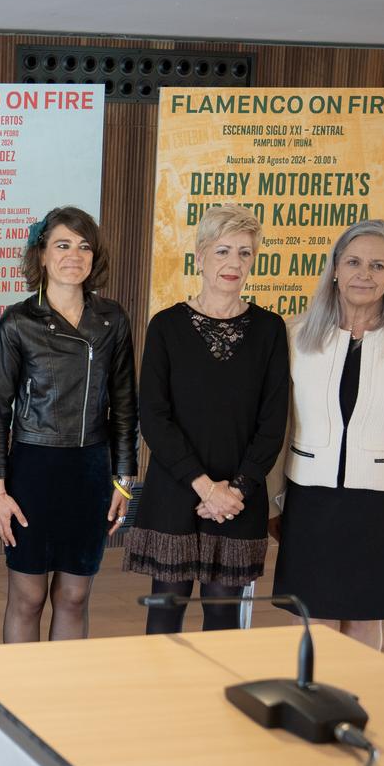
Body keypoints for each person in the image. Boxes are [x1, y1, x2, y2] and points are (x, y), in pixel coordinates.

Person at [272, 220, 384, 649]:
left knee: (363, 615)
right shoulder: (296, 334)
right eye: (354, 262)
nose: (364, 274)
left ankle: (353, 705)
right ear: (335, 268)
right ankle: (314, 705)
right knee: (312, 616)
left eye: (378, 265)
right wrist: (272, 500)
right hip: (312, 498)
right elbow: (280, 427)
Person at [124, 204, 290, 632]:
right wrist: (204, 487)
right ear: (200, 257)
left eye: (244, 253)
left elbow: (273, 422)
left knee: (222, 615)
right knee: (165, 613)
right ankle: (161, 701)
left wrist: (233, 491)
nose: (233, 263)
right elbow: (154, 417)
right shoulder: (166, 326)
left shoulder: (270, 329)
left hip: (239, 497)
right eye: (222, 251)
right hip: (177, 491)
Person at [0, 206, 137, 643]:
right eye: (63, 245)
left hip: (90, 469)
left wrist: (124, 482)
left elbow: (126, 407)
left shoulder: (112, 320)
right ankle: (16, 704)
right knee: (28, 596)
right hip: (32, 469)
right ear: (43, 255)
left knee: (73, 596)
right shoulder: (17, 322)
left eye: (84, 246)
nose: (75, 255)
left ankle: (60, 704)